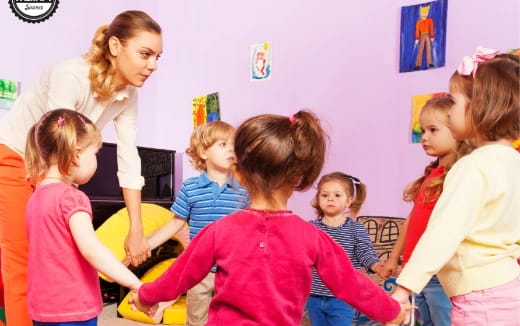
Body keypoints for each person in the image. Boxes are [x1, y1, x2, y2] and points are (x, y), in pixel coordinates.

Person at [130, 110, 411, 325]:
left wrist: (145, 296)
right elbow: (351, 283)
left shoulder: (219, 231)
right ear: (299, 177)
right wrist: (392, 311)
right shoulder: (313, 237)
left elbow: (178, 275)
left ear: (238, 172)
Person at [0, 10, 162, 325]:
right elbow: (56, 140)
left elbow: (128, 157)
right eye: (145, 54)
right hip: (18, 155)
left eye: (158, 57)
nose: (153, 65)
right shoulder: (70, 75)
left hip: (57, 165)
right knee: (22, 259)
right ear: (116, 46)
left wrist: (137, 228)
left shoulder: (129, 95)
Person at [389, 48, 520, 326]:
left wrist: (403, 289)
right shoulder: (513, 161)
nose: (450, 113)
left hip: (480, 300)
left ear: (481, 107)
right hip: (508, 288)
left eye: (454, 103)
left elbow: (442, 234)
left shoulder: (473, 166)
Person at [24, 109, 142, 325]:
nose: (96, 161)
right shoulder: (72, 198)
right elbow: (92, 250)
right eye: (94, 154)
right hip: (74, 309)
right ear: (77, 155)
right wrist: (134, 283)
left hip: (41, 308)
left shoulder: (35, 198)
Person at [143, 120, 250, 325]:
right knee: (196, 320)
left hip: (232, 271)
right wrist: (146, 243)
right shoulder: (190, 188)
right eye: (222, 144)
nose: (231, 149)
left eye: (233, 145)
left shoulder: (244, 190)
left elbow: (251, 228)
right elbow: (175, 224)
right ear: (203, 152)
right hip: (199, 270)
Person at [382, 95, 473, 326]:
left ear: (456, 131)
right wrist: (394, 258)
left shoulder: (458, 176)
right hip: (415, 272)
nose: (424, 138)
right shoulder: (431, 176)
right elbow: (411, 221)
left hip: (439, 273)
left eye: (433, 130)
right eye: (422, 130)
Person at [306, 172, 385, 326]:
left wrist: (376, 265)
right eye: (324, 195)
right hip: (314, 295)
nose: (330, 199)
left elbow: (365, 253)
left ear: (348, 201)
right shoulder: (311, 228)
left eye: (337, 195)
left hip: (343, 297)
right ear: (318, 199)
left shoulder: (355, 229)